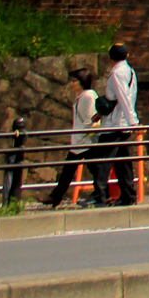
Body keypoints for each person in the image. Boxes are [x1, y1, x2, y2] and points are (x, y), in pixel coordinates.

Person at [41, 68, 100, 208]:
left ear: (82, 81)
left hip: (86, 141)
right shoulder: (82, 96)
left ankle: (57, 197)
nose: (72, 84)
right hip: (80, 141)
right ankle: (56, 196)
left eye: (74, 81)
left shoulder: (89, 96)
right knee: (76, 170)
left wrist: (84, 133)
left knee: (93, 170)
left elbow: (92, 118)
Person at [92, 44, 139, 207]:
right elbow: (128, 98)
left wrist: (133, 120)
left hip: (115, 123)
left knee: (102, 160)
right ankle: (128, 195)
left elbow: (122, 97)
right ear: (126, 56)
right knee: (122, 161)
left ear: (111, 57)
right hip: (122, 122)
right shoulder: (130, 71)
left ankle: (101, 195)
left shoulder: (116, 74)